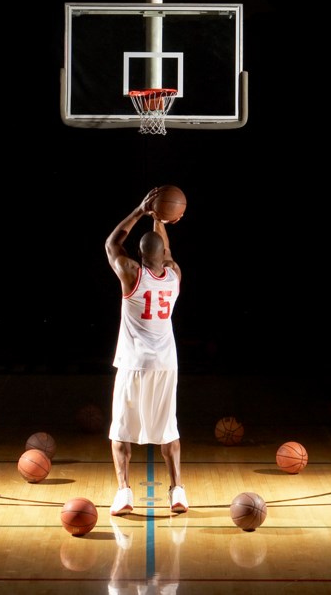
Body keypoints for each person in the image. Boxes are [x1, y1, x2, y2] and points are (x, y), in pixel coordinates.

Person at [105, 187, 187, 516]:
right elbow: (165, 252)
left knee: (121, 431)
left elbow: (112, 244)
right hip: (166, 364)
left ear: (139, 256)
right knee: (168, 428)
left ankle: (125, 493)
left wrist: (141, 211)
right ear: (164, 256)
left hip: (134, 363)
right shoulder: (174, 276)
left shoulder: (131, 275)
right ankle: (177, 491)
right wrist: (160, 218)